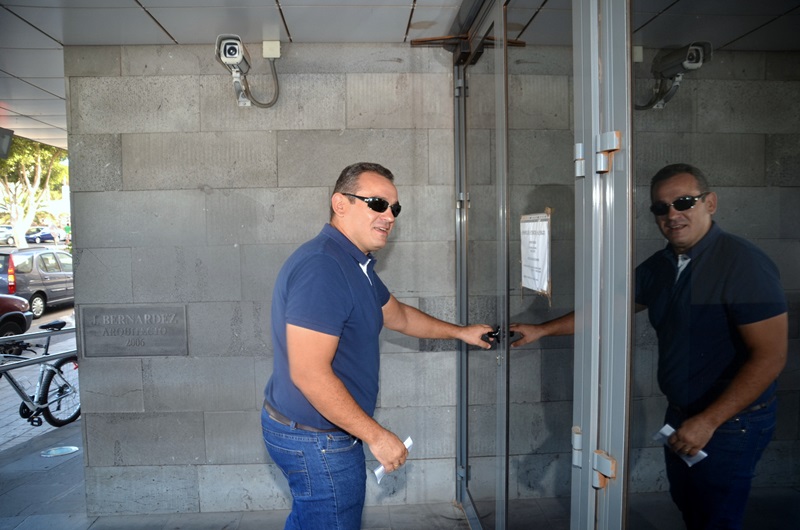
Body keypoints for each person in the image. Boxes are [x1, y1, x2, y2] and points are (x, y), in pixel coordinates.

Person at [510, 163, 788, 530]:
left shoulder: (742, 263)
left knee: (715, 518)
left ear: (710, 203)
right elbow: (607, 310)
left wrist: (708, 421)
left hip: (730, 423)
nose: (672, 215)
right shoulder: (664, 264)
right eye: (661, 207)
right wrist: (541, 331)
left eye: (684, 202)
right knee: (690, 506)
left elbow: (770, 357)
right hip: (683, 415)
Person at [262, 162, 494, 529]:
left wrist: (460, 332)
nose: (389, 216)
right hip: (317, 441)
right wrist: (377, 436)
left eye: (395, 208)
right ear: (340, 204)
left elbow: (398, 315)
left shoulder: (354, 263)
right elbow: (309, 373)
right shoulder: (324, 268)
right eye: (377, 204)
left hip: (319, 434)